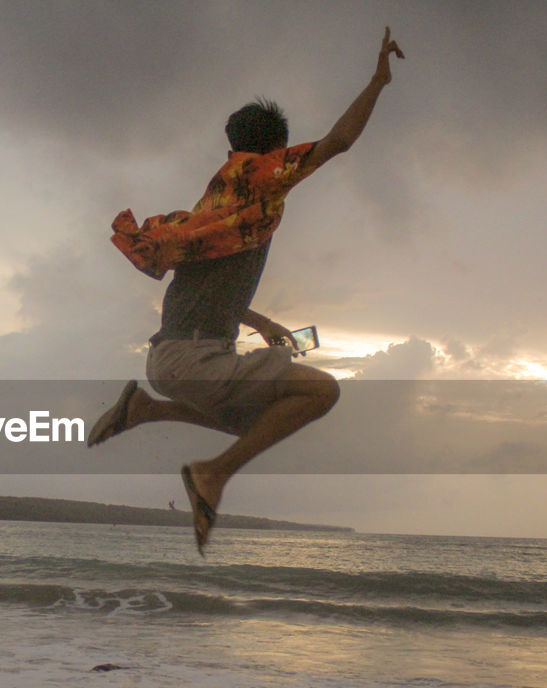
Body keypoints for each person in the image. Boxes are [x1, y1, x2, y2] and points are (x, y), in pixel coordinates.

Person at [89, 28, 404, 554]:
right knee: (322, 392)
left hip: (174, 358)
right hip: (193, 359)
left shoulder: (221, 200)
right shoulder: (261, 178)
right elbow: (340, 142)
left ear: (230, 145)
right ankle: (211, 476)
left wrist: (259, 323)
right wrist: (377, 82)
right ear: (276, 150)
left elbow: (207, 280)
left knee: (261, 422)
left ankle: (144, 410)